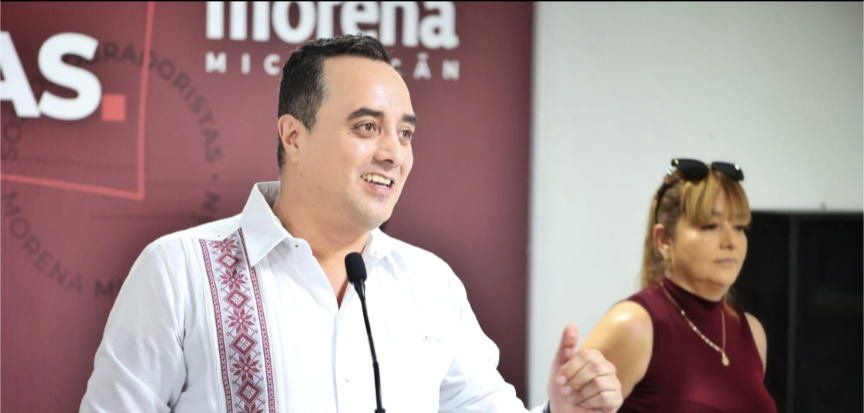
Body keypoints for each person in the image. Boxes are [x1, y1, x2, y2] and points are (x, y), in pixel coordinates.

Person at [79, 35, 622, 413]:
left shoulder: (430, 285)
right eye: (366, 126)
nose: (393, 153)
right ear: (294, 136)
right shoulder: (179, 270)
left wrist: (562, 412)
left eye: (405, 133)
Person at [579, 159, 777, 412]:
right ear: (664, 240)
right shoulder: (633, 325)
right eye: (710, 226)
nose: (731, 241)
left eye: (739, 227)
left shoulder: (752, 332)